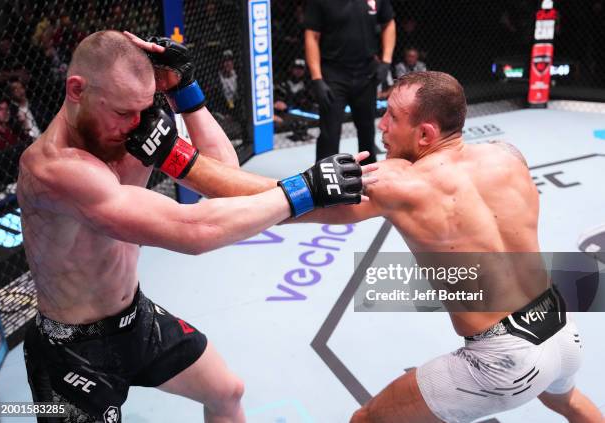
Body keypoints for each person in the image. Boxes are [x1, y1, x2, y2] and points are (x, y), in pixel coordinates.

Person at [174, 71, 603, 423]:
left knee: (367, 421)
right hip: (562, 330)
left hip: (504, 360)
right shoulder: (507, 154)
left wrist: (169, 153)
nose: (381, 124)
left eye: (392, 116)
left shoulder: (396, 181)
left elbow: (265, 200)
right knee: (564, 400)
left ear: (425, 132)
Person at [17, 30, 370, 423]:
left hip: (135, 317)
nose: (135, 124)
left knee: (227, 392)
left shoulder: (132, 123)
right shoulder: (52, 168)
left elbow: (225, 178)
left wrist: (185, 93)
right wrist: (303, 190)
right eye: (122, 112)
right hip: (71, 348)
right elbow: (192, 230)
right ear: (77, 90)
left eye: (143, 108)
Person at [304, 0, 396, 165]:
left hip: (366, 73)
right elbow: (312, 35)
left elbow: (388, 22)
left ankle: (369, 178)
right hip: (333, 74)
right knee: (329, 134)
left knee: (367, 130)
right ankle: (324, 181)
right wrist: (317, 78)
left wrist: (386, 61)